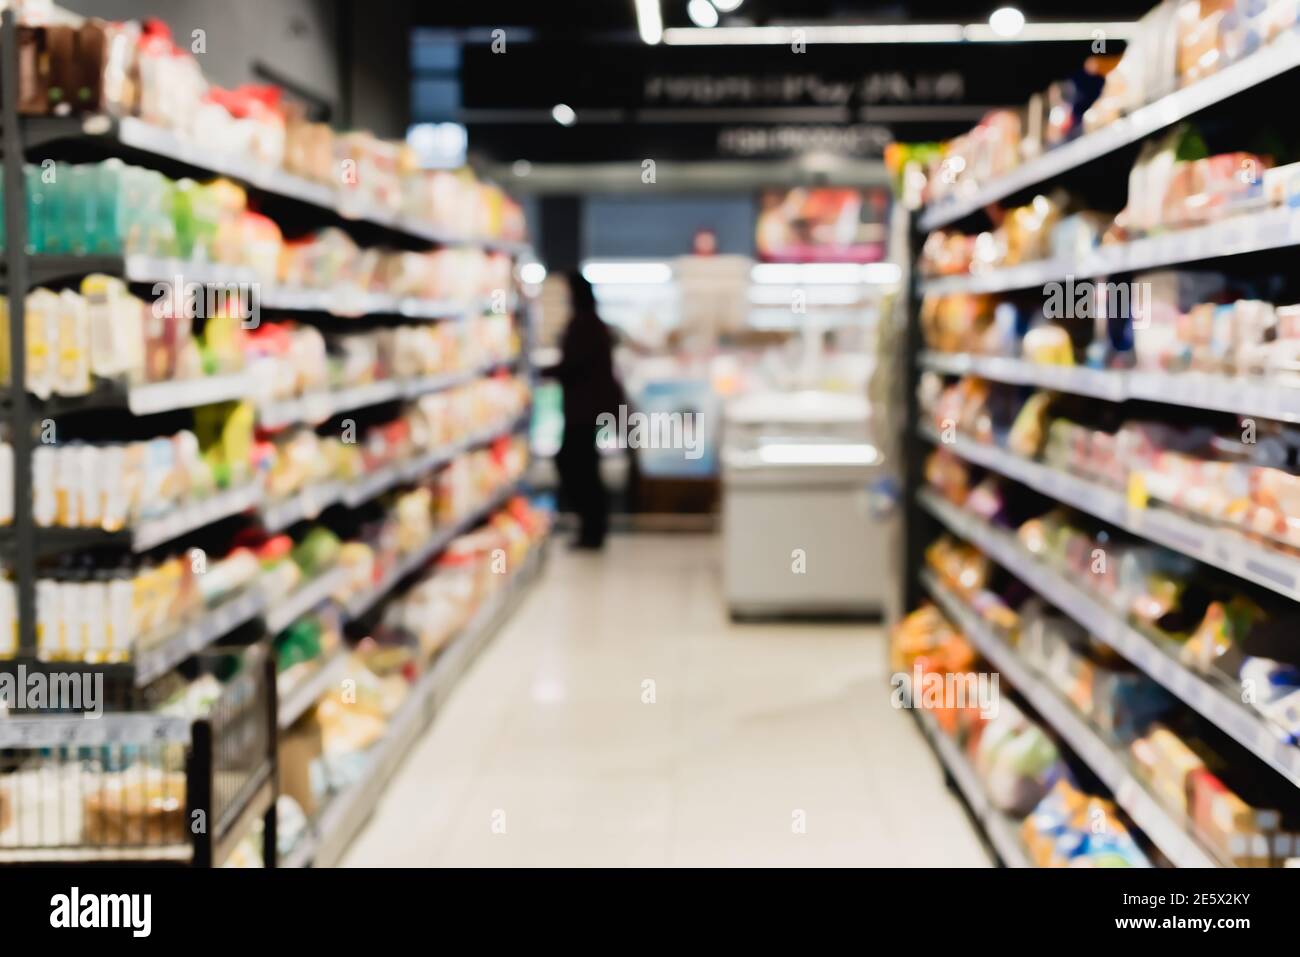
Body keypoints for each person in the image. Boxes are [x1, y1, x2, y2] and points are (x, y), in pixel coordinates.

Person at [543, 272, 624, 550]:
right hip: (590, 408)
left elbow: (573, 365)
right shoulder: (592, 323)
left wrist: (540, 372)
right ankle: (592, 528)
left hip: (585, 410)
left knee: (576, 465)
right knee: (584, 466)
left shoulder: (583, 325)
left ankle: (592, 529)